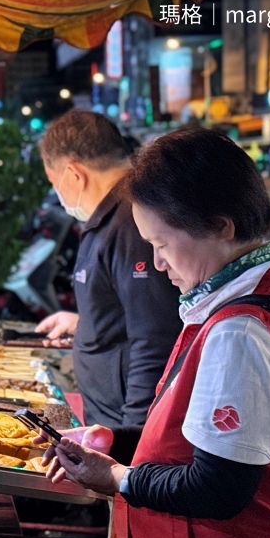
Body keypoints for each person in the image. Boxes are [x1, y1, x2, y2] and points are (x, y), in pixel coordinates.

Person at [41, 127, 270, 538]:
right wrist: (116, 439)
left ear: (220, 226)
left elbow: (217, 488)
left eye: (161, 244)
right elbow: (200, 444)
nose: (158, 264)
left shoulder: (243, 332)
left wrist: (115, 477)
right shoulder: (258, 302)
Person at [36, 110, 182, 433]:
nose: (59, 195)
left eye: (54, 182)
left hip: (124, 432)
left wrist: (132, 442)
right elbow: (129, 308)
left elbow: (154, 339)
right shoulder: (109, 216)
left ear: (74, 175)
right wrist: (87, 324)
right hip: (107, 427)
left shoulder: (133, 222)